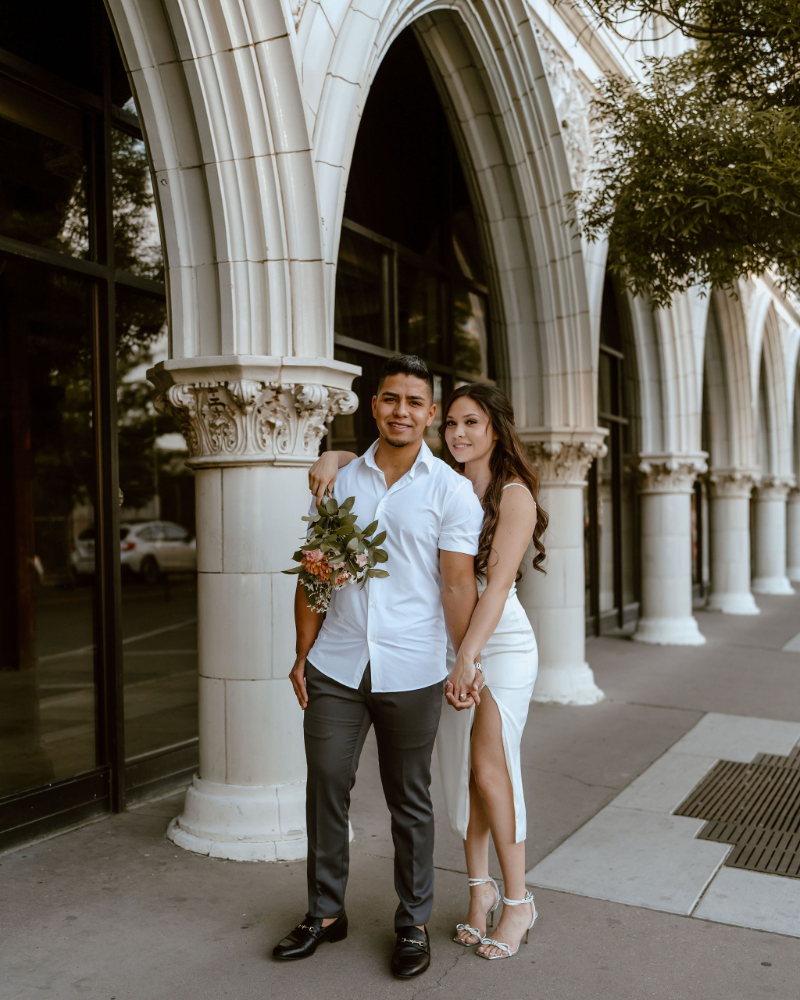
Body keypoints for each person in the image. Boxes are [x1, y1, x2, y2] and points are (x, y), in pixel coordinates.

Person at [309, 381, 547, 961]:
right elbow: (379, 467)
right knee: (460, 773)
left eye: (472, 423)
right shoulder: (446, 480)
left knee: (493, 769)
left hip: (498, 645)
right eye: (453, 425)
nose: (459, 434)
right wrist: (334, 455)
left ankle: (518, 902)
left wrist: (469, 656)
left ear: (496, 429)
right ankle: (478, 890)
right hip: (449, 647)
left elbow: (490, 593)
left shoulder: (514, 495)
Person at [272, 355, 485, 980]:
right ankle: (324, 912)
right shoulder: (338, 480)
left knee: (408, 799)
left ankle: (413, 922)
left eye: (415, 403)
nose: (401, 412)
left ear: (431, 414)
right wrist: (302, 652)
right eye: (391, 399)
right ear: (374, 406)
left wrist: (461, 661)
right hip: (337, 663)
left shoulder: (450, 490)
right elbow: (315, 571)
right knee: (325, 784)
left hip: (414, 666)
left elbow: (456, 586)